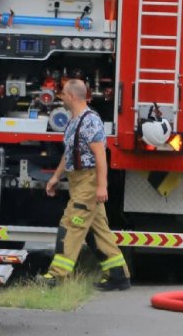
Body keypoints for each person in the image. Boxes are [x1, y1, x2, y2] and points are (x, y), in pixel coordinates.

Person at [36, 78, 131, 290]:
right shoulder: (74, 121)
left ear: (71, 96)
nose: (60, 99)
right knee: (98, 230)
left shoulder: (90, 121)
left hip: (88, 180)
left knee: (71, 223)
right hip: (77, 180)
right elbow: (69, 154)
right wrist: (55, 178)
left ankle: (56, 276)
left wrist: (101, 186)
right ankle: (118, 276)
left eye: (62, 96)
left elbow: (100, 156)